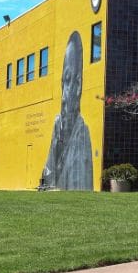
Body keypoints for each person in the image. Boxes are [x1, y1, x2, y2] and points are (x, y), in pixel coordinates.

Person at [42, 31, 93, 190]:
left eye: (70, 81)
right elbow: (48, 173)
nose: (63, 94)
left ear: (78, 87)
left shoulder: (81, 135)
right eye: (63, 82)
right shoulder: (58, 126)